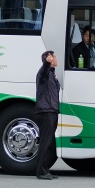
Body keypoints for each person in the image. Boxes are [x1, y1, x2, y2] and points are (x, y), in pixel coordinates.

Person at [33, 50, 60, 179]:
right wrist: (46, 64)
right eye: (54, 57)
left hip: (52, 111)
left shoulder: (52, 74)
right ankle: (41, 171)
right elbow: (43, 71)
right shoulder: (43, 73)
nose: (56, 58)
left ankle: (45, 169)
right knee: (45, 142)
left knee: (49, 144)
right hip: (46, 111)